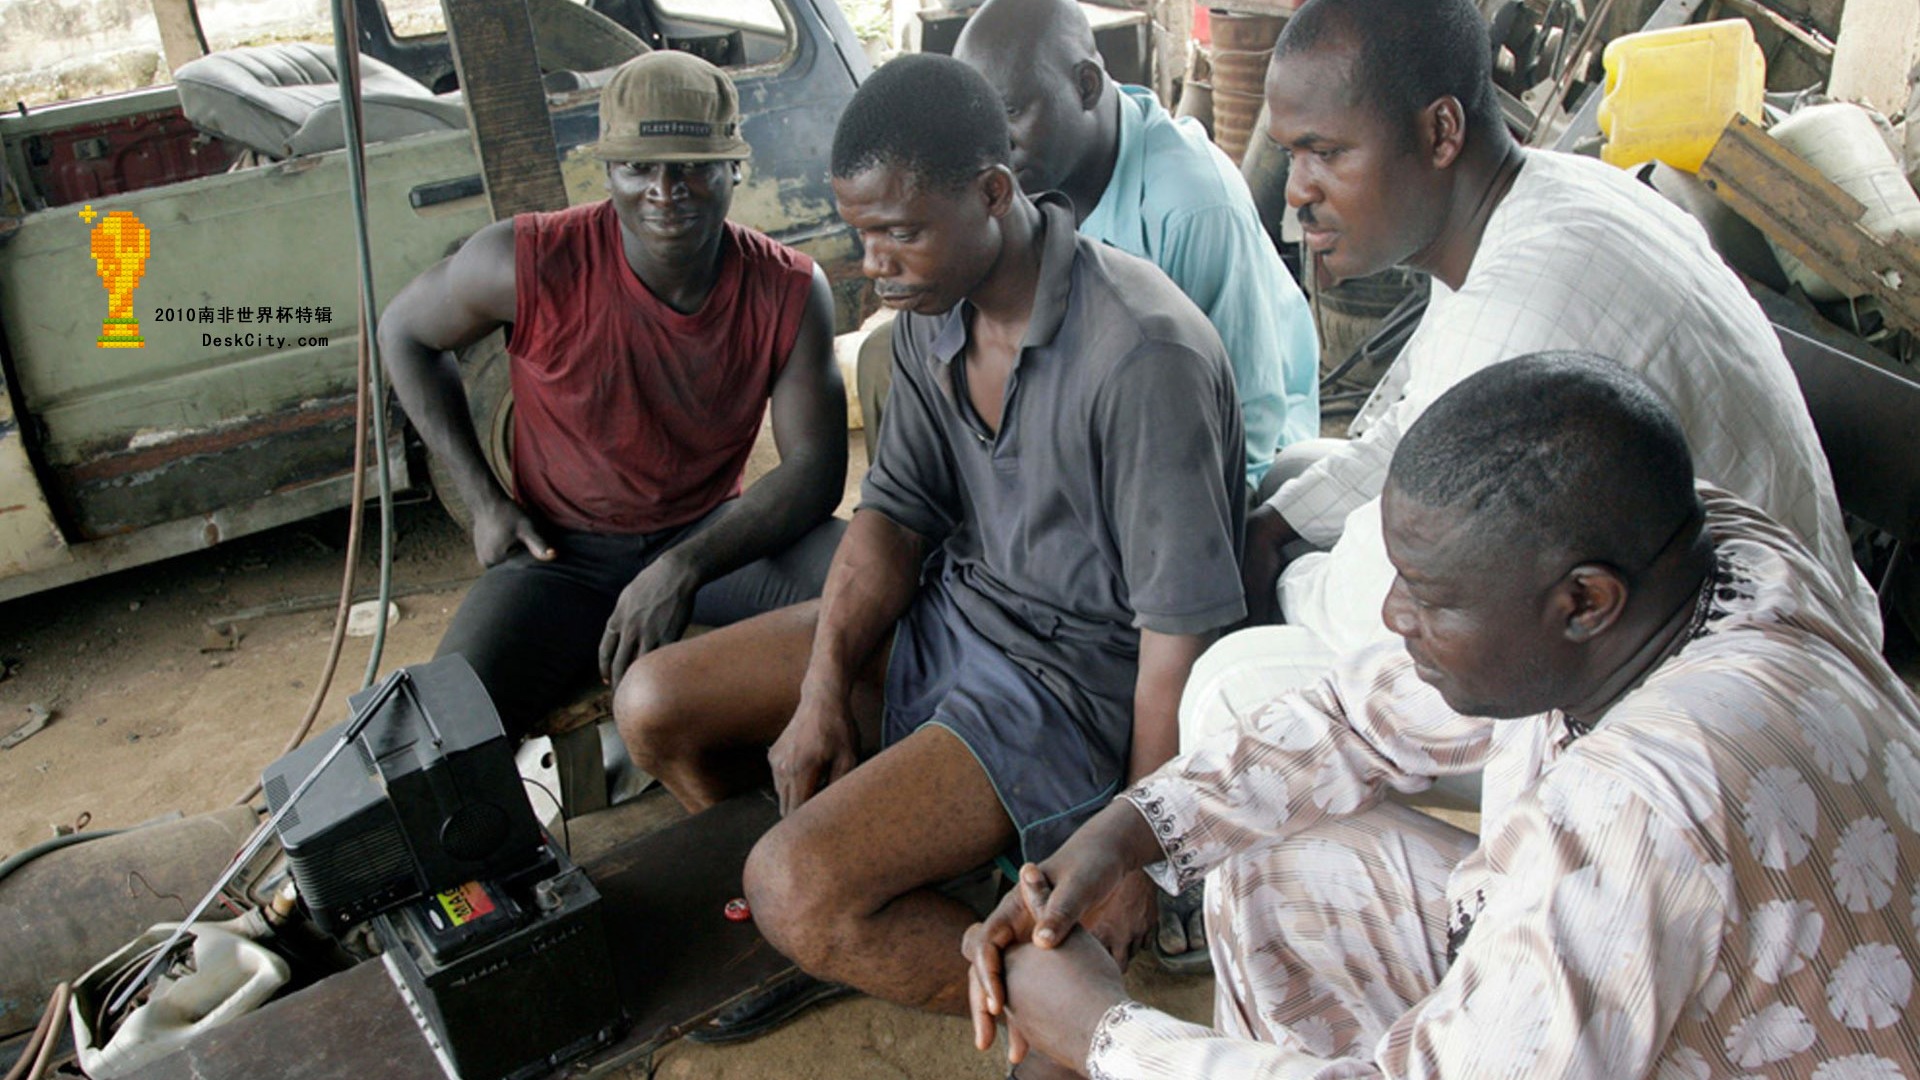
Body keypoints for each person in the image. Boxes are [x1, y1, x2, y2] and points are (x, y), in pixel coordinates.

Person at [962, 352, 1920, 1080]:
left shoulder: (1641, 806)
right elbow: (1357, 713)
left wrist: (1105, 1032)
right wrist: (1119, 837)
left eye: (1429, 596)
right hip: (1695, 955)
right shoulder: (1700, 549)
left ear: (1584, 603)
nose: (1392, 615)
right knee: (1271, 864)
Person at [614, 54, 1246, 1042]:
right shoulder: (929, 311)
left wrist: (1131, 853)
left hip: (1069, 692)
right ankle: (866, 910)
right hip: (955, 621)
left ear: (994, 194)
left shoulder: (1140, 355)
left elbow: (1176, 642)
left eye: (900, 231)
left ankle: (1070, 1015)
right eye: (861, 233)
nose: (876, 262)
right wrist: (823, 689)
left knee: (792, 886)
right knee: (652, 706)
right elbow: (893, 515)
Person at [1224, 0, 1877, 730]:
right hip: (1769, 622)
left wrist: (1280, 580)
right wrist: (1277, 524)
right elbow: (1413, 432)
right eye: (1291, 154)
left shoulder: (1518, 306)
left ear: (1441, 132)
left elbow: (1380, 615)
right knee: (1293, 478)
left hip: (1730, 706)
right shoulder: (1546, 196)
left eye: (1327, 153)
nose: (1297, 193)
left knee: (1233, 683)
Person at [380, 51, 847, 738]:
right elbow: (403, 333)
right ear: (607, 172)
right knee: (442, 737)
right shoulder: (526, 261)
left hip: (710, 540)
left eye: (692, 165)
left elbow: (815, 471)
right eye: (639, 168)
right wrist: (484, 504)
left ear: (734, 167)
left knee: (879, 582)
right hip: (556, 558)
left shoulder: (790, 291)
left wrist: (682, 566)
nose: (666, 189)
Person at [847, 0, 1318, 493]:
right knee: (890, 356)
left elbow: (1251, 414)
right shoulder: (1019, 172)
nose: (992, 144)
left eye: (1009, 113)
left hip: (1199, 446)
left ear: (1086, 87)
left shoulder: (1192, 205)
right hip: (1087, 404)